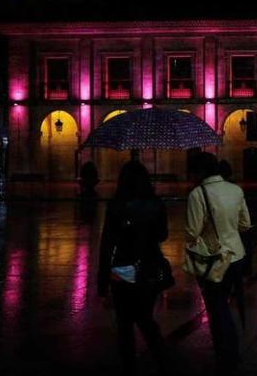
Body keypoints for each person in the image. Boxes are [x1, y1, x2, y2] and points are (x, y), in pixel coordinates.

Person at [98, 160, 168, 373]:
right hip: (149, 266)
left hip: (122, 269)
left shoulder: (116, 205)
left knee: (124, 322)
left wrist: (102, 281)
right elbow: (163, 235)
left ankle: (129, 365)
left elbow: (107, 244)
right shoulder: (156, 203)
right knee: (146, 318)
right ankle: (163, 361)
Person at [186, 152, 251, 374]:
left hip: (213, 260)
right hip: (237, 257)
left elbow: (192, 232)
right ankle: (230, 351)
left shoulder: (198, 194)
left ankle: (227, 355)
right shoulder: (236, 190)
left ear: (200, 171)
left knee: (217, 308)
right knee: (223, 303)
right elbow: (245, 224)